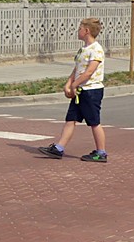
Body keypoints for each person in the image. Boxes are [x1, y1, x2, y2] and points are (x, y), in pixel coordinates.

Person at [38, 18, 108, 163]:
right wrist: (68, 84)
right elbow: (77, 69)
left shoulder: (96, 49)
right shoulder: (83, 49)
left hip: (91, 91)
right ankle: (59, 148)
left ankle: (101, 152)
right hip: (80, 90)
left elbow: (89, 72)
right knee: (71, 119)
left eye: (80, 28)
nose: (78, 31)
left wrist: (75, 85)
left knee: (94, 122)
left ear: (87, 31)